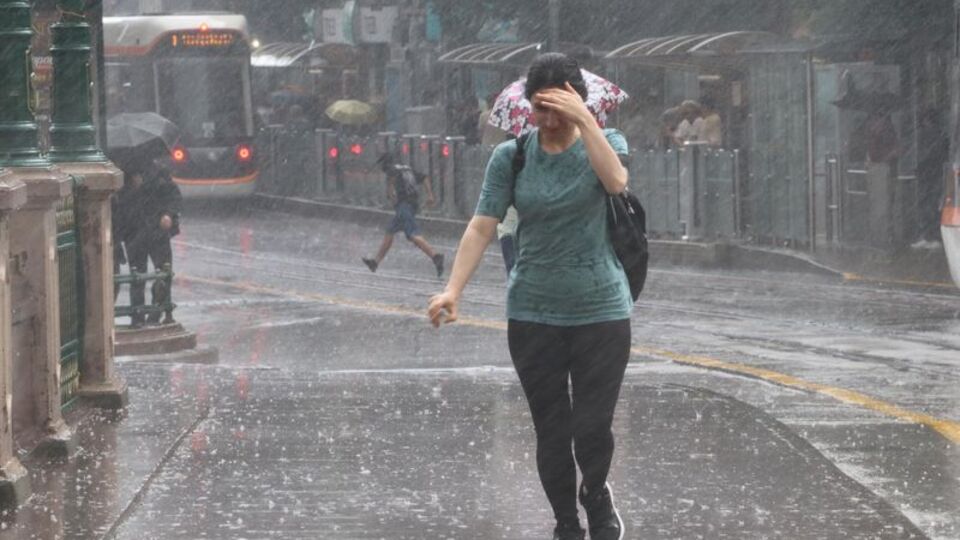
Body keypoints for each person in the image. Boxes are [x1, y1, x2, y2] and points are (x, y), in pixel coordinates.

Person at [428, 52, 631, 540]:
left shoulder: (609, 142)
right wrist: (453, 289)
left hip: (601, 309)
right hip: (533, 311)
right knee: (553, 429)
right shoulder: (512, 156)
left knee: (593, 426)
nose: (550, 118)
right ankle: (566, 520)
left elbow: (616, 182)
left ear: (579, 100)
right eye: (541, 108)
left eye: (559, 105)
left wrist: (585, 120)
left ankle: (597, 495)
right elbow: (482, 226)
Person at [114, 154, 182, 328]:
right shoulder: (121, 176)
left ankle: (155, 312)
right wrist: (131, 188)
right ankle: (138, 315)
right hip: (134, 231)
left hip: (154, 231)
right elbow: (118, 205)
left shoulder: (158, 173)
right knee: (138, 275)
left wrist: (168, 214)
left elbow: (173, 197)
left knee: (161, 274)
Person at [362, 154, 445, 277]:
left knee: (413, 234)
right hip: (412, 203)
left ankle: (435, 256)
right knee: (390, 232)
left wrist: (391, 198)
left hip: (404, 205)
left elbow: (390, 187)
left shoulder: (392, 170)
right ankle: (375, 262)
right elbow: (424, 177)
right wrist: (430, 195)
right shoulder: (406, 168)